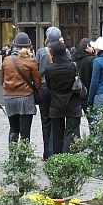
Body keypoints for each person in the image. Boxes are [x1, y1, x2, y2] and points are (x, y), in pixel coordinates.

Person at [1, 32, 41, 144]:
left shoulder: (6, 60)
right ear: (28, 46)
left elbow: (2, 79)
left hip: (9, 97)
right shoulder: (31, 61)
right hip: (25, 97)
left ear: (14, 45)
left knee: (13, 129)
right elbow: (37, 82)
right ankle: (22, 159)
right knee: (25, 131)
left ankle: (13, 156)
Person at [44, 40, 82, 155]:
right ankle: (68, 157)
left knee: (57, 134)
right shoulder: (73, 66)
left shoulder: (49, 69)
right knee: (71, 133)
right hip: (73, 103)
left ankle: (58, 157)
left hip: (56, 104)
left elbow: (49, 86)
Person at [36, 26, 68, 160]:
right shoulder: (64, 51)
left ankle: (47, 152)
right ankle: (57, 149)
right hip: (59, 88)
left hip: (44, 87)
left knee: (45, 121)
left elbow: (36, 69)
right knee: (58, 119)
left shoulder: (41, 51)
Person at [72, 38, 95, 117]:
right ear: (87, 47)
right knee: (92, 120)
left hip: (75, 92)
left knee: (74, 121)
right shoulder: (92, 59)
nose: (93, 49)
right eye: (92, 47)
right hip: (88, 93)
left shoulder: (73, 57)